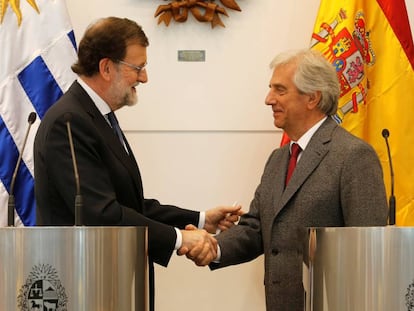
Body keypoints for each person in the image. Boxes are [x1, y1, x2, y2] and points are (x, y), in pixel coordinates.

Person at [33, 16, 242, 311]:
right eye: (138, 68)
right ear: (106, 68)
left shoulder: (98, 117)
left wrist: (200, 219)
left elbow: (127, 204)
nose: (144, 78)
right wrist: (181, 239)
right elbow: (100, 215)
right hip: (83, 288)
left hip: (111, 285)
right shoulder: (69, 122)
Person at [185, 49, 389, 310]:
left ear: (312, 98)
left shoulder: (353, 156)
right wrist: (213, 247)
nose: (268, 99)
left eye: (280, 90)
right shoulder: (278, 159)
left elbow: (367, 250)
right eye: (271, 89)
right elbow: (257, 228)